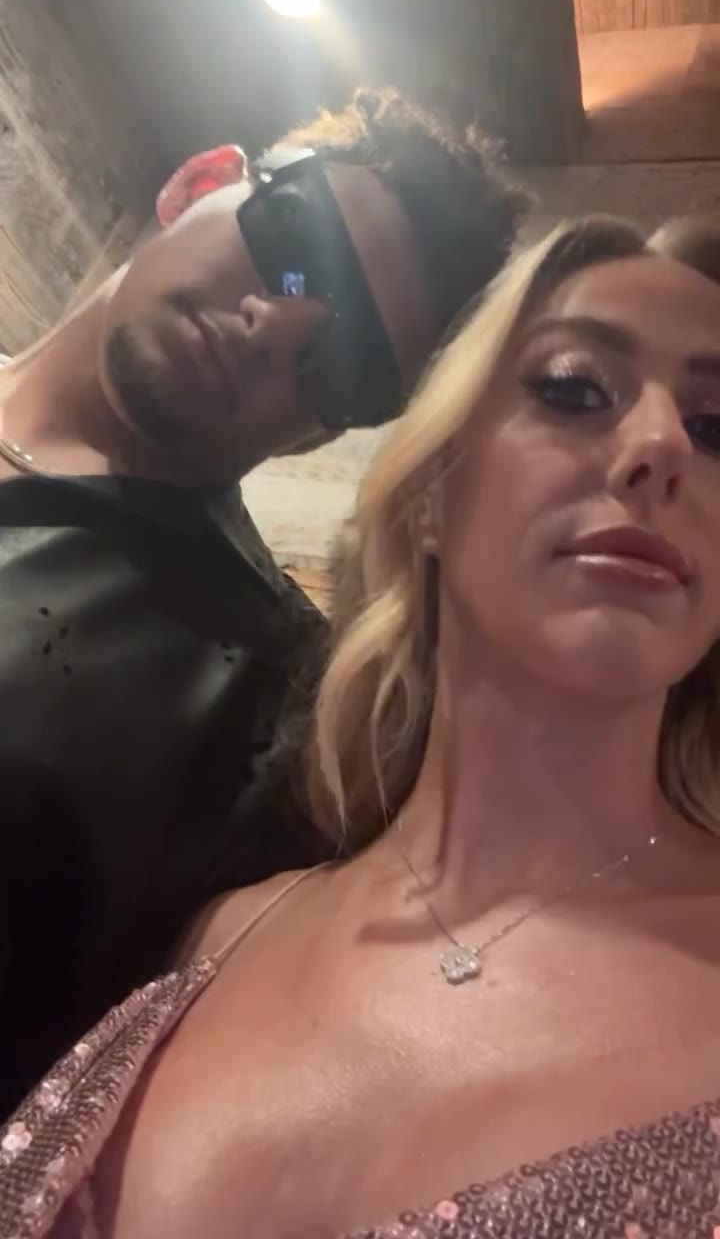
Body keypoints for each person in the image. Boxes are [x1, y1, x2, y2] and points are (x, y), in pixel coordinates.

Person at [6, 211, 720, 1238]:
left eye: (718, 427)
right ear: (431, 490)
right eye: (573, 387)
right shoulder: (225, 931)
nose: (661, 445)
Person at [0, 87, 526, 1118]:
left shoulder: (263, 706)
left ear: (324, 431)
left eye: (343, 364)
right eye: (296, 251)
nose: (275, 328)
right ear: (199, 181)